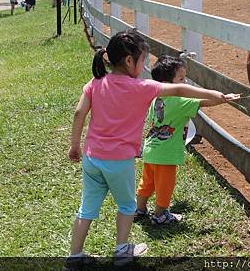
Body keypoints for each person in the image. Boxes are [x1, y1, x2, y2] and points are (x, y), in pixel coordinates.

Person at [67, 30, 240, 266]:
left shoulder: (95, 83)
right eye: (142, 60)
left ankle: (74, 255)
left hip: (92, 158)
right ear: (129, 60)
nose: (144, 65)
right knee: (127, 206)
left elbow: (79, 113)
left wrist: (75, 146)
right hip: (119, 161)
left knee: (87, 207)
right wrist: (216, 95)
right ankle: (121, 253)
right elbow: (180, 90)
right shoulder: (142, 87)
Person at [135, 55, 231, 225]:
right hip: (167, 154)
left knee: (147, 183)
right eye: (181, 79)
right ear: (169, 82)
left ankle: (140, 209)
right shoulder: (180, 101)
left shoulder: (156, 98)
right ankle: (160, 215)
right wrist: (222, 98)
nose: (184, 82)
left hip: (150, 149)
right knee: (165, 186)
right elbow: (203, 103)